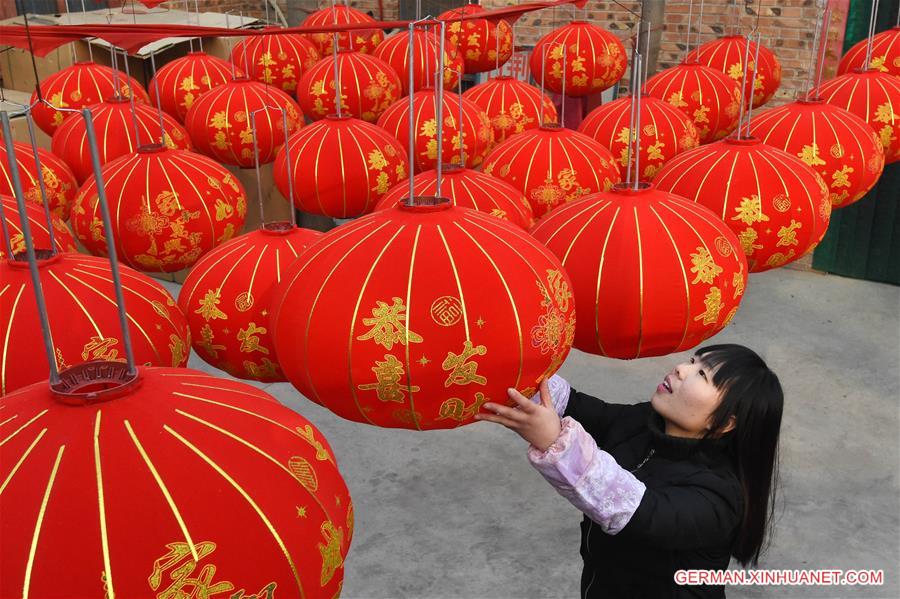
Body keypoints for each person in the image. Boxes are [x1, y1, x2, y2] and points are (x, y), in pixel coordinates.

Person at [475, 344, 783, 599]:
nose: (681, 368)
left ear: (727, 422)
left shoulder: (717, 497)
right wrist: (514, 365)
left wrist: (556, 442)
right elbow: (579, 408)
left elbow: (633, 509)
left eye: (702, 374)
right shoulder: (646, 421)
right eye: (692, 360)